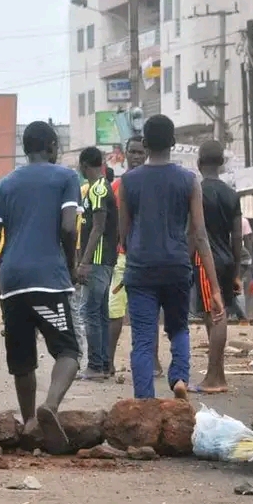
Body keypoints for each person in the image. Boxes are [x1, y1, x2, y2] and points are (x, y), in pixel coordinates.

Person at [0, 121, 81, 455]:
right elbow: (68, 226)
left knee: (22, 361)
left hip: (13, 281)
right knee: (68, 351)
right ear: (50, 146)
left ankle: (31, 421)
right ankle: (50, 406)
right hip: (49, 279)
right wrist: (71, 265)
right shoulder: (66, 178)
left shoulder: (6, 184)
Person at [119, 115, 224, 399]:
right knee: (178, 328)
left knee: (142, 339)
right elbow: (199, 234)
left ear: (146, 143)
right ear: (174, 143)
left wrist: (133, 255)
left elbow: (123, 232)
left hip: (140, 269)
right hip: (177, 267)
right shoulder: (189, 180)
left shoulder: (128, 181)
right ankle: (179, 377)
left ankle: (144, 400)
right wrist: (214, 289)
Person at [193, 140, 243, 394]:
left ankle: (213, 378)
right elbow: (238, 238)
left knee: (214, 315)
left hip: (206, 261)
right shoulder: (232, 194)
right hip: (226, 261)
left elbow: (193, 232)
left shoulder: (197, 192)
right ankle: (219, 375)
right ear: (222, 164)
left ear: (199, 163)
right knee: (219, 312)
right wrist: (237, 271)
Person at [108, 136, 157, 378]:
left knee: (148, 311)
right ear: (125, 154)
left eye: (140, 152)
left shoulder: (153, 184)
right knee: (115, 310)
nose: (136, 156)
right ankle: (107, 361)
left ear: (147, 153)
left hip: (148, 256)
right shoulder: (116, 187)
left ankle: (154, 361)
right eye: (132, 152)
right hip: (122, 256)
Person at [77, 148, 117, 379]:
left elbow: (98, 227)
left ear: (84, 165)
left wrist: (84, 261)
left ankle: (94, 365)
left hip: (99, 260)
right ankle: (101, 365)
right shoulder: (97, 188)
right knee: (99, 312)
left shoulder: (99, 189)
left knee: (90, 311)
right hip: (102, 260)